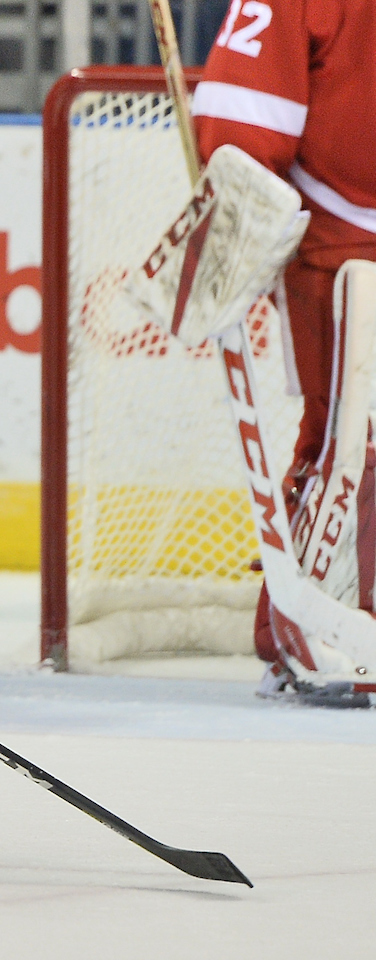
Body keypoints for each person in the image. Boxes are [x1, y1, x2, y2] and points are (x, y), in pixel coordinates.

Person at [192, 0, 376, 695]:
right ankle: (311, 632)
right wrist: (234, 227)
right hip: (347, 251)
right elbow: (243, 120)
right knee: (352, 438)